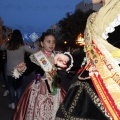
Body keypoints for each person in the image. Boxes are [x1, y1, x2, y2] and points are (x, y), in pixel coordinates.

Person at [56, 0, 120, 120]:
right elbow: (89, 54)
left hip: (111, 92)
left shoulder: (118, 13)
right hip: (86, 90)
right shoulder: (93, 18)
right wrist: (69, 59)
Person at [12, 32, 73, 120]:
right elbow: (27, 71)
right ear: (42, 43)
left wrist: (65, 61)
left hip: (55, 88)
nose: (51, 44)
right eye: (48, 41)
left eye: (53, 42)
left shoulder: (57, 56)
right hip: (38, 89)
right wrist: (20, 70)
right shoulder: (36, 57)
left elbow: (67, 65)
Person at [0, 29, 39, 110]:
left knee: (11, 87)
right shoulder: (22, 46)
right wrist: (37, 44)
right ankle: (19, 104)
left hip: (9, 69)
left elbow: (1, 48)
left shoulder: (8, 45)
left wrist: (6, 40)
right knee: (19, 87)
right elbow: (33, 51)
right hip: (20, 70)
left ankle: (12, 103)